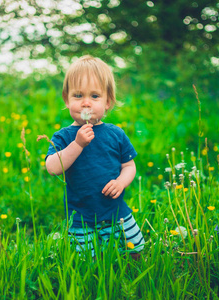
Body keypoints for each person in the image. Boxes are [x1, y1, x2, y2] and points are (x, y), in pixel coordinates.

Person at [45, 55, 144, 259]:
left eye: (95, 97)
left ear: (107, 102)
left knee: (135, 250)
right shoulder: (63, 137)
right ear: (67, 99)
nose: (86, 104)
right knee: (85, 261)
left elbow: (129, 166)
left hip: (117, 212)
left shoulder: (115, 134)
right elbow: (53, 167)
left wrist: (121, 182)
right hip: (80, 216)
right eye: (78, 95)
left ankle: (132, 277)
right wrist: (78, 144)